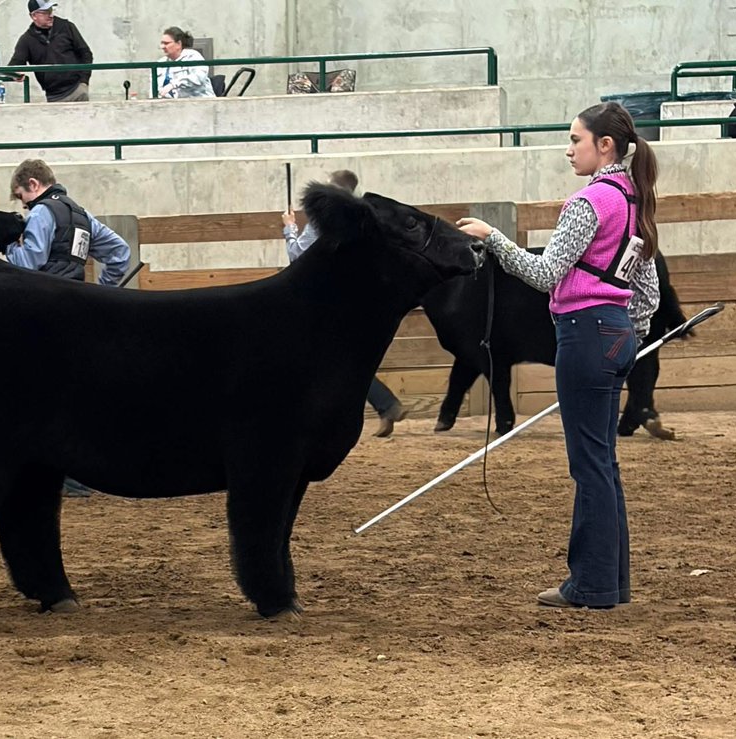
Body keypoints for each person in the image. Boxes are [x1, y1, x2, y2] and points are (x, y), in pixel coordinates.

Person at [457, 101, 660, 610]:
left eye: (576, 140)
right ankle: (610, 581)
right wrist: (625, 338)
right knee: (603, 463)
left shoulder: (590, 202)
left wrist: (494, 237)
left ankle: (590, 586)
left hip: (584, 335)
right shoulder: (636, 202)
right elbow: (648, 292)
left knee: (590, 465)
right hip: (613, 336)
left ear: (604, 145)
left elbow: (545, 274)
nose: (569, 150)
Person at [8, 158, 131, 497]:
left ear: (33, 184)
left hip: (43, 311)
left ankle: (55, 470)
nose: (24, 205)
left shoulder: (42, 213)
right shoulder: (81, 215)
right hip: (76, 310)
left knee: (39, 392)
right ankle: (80, 470)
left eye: (22, 197)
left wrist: (5, 247)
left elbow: (29, 262)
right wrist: (101, 293)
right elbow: (120, 252)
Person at [282, 169, 408, 437]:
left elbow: (298, 255)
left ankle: (380, 406)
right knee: (342, 363)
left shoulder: (323, 221)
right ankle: (385, 405)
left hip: (324, 302)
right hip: (355, 299)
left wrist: (289, 227)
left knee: (325, 361)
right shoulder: (362, 220)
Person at [8, 1, 94, 103]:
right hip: (54, 96)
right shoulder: (26, 40)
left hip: (78, 91)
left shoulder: (67, 27)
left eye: (51, 10)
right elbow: (14, 66)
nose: (51, 15)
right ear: (34, 16)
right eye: (45, 12)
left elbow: (86, 53)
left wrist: (84, 82)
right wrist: (16, 74)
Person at [157, 27, 216, 99]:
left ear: (178, 44)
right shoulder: (160, 63)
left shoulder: (193, 56)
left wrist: (173, 84)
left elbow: (198, 78)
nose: (162, 47)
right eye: (162, 43)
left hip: (199, 104)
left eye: (166, 43)